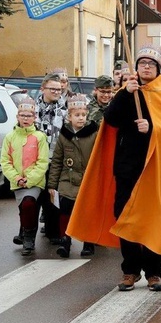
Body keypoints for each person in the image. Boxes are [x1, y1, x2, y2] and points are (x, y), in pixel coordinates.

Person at [66, 46, 161, 291]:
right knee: (124, 216)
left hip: (155, 167)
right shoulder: (126, 91)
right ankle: (130, 271)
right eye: (142, 63)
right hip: (127, 165)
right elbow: (110, 120)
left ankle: (154, 272)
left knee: (153, 217)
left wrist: (153, 128)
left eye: (151, 64)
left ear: (158, 69)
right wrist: (124, 94)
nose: (145, 67)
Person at [47, 94, 98, 257]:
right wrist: (52, 185)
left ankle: (88, 243)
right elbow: (56, 161)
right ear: (69, 117)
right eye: (77, 115)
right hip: (67, 180)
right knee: (65, 211)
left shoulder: (93, 133)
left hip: (87, 180)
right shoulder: (64, 135)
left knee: (87, 212)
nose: (81, 118)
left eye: (83, 115)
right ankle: (65, 241)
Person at [0, 98, 49, 256]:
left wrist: (30, 179)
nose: (26, 118)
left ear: (35, 117)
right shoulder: (10, 137)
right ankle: (24, 232)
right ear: (18, 117)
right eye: (23, 115)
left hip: (35, 182)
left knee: (29, 204)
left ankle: (28, 239)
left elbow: (42, 162)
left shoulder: (40, 137)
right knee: (24, 209)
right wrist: (16, 178)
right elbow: (5, 161)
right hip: (17, 182)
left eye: (29, 116)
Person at [35, 73, 67, 244]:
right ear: (43, 89)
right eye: (52, 89)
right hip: (36, 160)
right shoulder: (32, 108)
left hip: (56, 159)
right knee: (34, 197)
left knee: (53, 195)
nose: (56, 92)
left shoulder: (64, 110)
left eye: (59, 89)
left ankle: (54, 232)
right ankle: (27, 234)